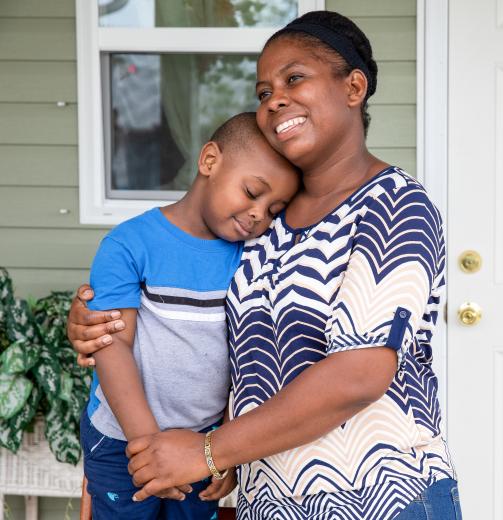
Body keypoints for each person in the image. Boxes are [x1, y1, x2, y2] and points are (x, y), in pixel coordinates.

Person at [68, 11, 461, 520]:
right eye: (262, 91)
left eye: (294, 78)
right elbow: (223, 343)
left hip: (377, 495)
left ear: (354, 87)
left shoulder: (395, 206)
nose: (274, 98)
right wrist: (92, 321)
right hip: (269, 501)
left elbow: (360, 373)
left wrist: (209, 451)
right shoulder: (260, 227)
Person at [79, 112, 299, 519]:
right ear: (210, 160)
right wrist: (148, 447)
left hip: (202, 448)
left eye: (274, 209)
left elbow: (247, 359)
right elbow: (112, 348)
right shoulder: (130, 243)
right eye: (252, 192)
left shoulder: (251, 258)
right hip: (121, 443)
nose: (258, 215)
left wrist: (227, 446)